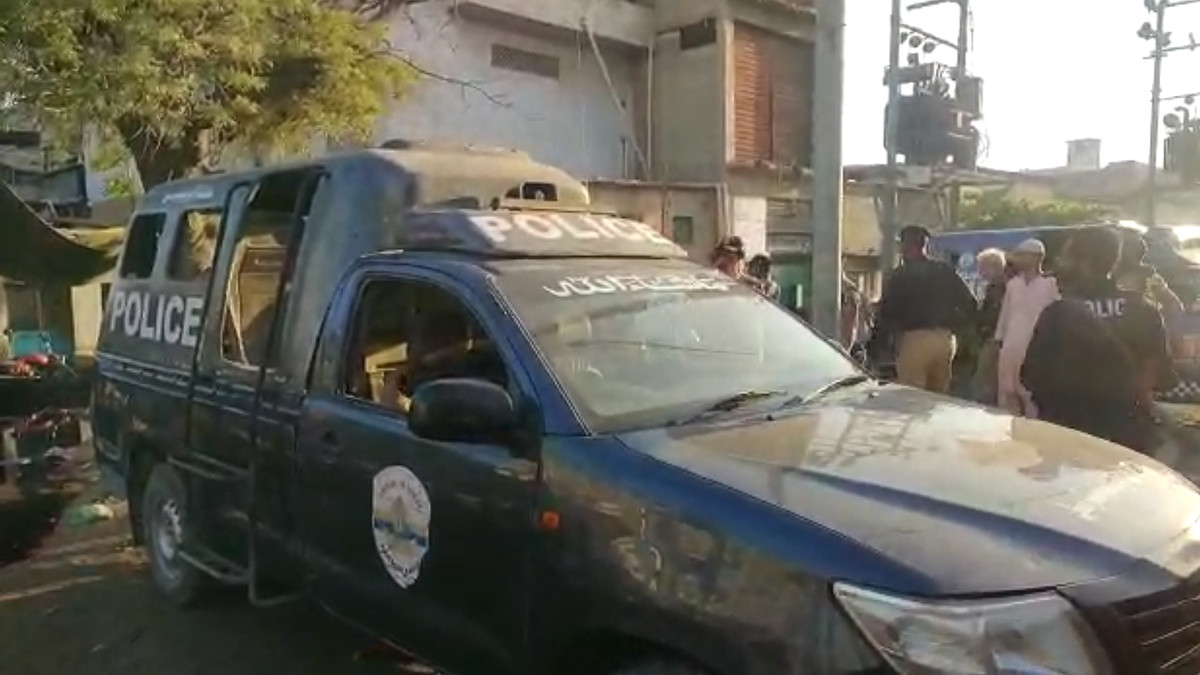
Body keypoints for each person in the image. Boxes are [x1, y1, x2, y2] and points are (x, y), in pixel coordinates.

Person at [1021, 228, 1168, 453]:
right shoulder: (1144, 310)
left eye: (1066, 256)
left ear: (1084, 261)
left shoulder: (1059, 314)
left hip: (1067, 436)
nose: (1060, 264)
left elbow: (1030, 375)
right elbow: (1158, 374)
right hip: (1128, 438)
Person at [875, 225, 977, 393]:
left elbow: (887, 312)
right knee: (937, 397)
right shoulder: (944, 271)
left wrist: (882, 344)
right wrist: (954, 326)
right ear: (925, 246)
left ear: (905, 246)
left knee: (911, 395)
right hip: (945, 340)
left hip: (914, 340)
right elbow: (970, 303)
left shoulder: (899, 276)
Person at [994, 238, 1059, 417]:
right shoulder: (1013, 284)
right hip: (1010, 346)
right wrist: (999, 339)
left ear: (1037, 257)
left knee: (1030, 396)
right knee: (1007, 393)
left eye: (1023, 255)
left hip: (1036, 348)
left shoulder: (1051, 284)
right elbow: (1005, 315)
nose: (1018, 259)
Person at [972, 248, 1007, 405]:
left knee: (986, 383)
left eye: (982, 268)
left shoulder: (1004, 289)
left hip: (996, 340)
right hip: (994, 338)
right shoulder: (993, 288)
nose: (980, 273)